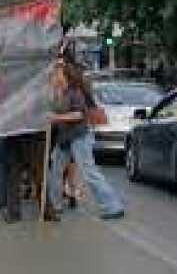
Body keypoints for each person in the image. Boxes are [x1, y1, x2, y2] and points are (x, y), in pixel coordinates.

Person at [46, 60, 125, 222]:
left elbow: (79, 115)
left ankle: (113, 206)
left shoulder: (75, 92)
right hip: (65, 138)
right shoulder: (59, 92)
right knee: (56, 170)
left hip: (79, 136)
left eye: (55, 74)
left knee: (89, 172)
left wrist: (56, 117)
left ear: (63, 75)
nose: (53, 77)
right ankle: (54, 206)